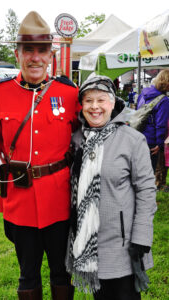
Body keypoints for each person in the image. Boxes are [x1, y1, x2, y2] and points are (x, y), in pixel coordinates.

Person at [0, 11, 80, 300]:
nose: (35, 58)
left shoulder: (68, 92)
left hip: (59, 200)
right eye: (28, 50)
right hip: (21, 200)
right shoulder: (0, 93)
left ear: (51, 55)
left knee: (61, 272)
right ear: (17, 54)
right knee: (27, 273)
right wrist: (3, 202)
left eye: (42, 51)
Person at [65, 75, 157, 300]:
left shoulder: (132, 140)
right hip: (91, 243)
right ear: (82, 105)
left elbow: (146, 190)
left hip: (123, 244)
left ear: (113, 103)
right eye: (88, 101)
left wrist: (142, 236)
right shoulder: (77, 140)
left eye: (101, 100)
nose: (94, 106)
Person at [136, 70, 169, 172]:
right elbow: (160, 125)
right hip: (151, 141)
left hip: (138, 137)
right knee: (149, 174)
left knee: (138, 171)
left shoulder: (143, 93)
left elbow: (138, 111)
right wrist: (159, 144)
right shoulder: (164, 100)